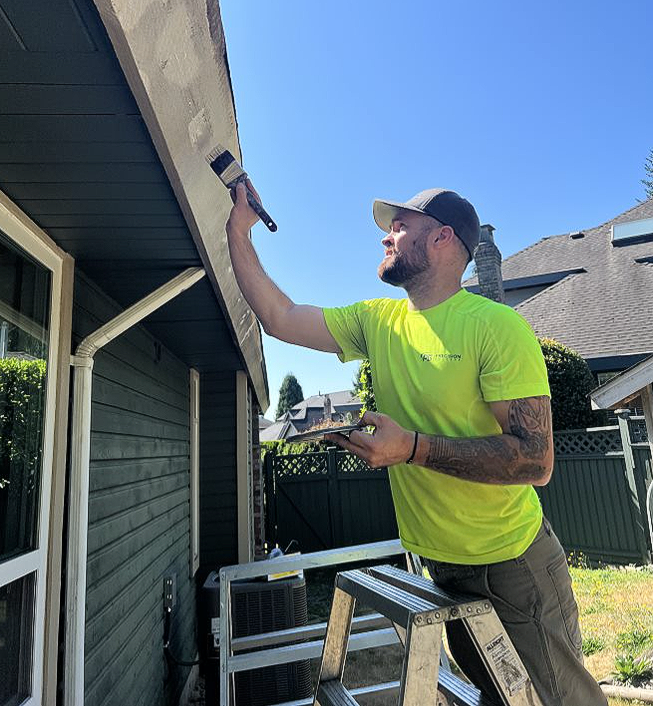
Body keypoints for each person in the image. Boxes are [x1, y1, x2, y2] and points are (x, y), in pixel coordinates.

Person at [226, 181, 607, 706]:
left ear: (442, 238)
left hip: (512, 565)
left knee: (559, 701)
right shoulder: (378, 322)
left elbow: (534, 460)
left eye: (400, 227)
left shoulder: (497, 327)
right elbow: (280, 318)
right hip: (440, 568)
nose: (387, 237)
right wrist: (238, 231)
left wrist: (412, 448)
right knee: (494, 698)